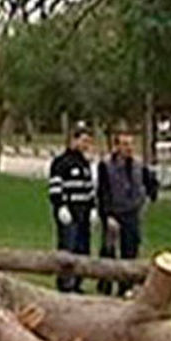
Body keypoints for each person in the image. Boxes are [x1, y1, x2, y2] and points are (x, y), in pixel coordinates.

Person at [97, 133, 159, 296]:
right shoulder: (106, 165)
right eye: (124, 144)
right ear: (116, 146)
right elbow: (103, 192)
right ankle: (105, 284)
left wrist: (149, 198)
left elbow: (151, 183)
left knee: (130, 250)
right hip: (114, 213)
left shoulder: (139, 165)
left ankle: (126, 286)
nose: (128, 148)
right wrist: (107, 215)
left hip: (132, 213)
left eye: (131, 144)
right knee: (109, 251)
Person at [48, 125, 97, 293]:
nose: (86, 145)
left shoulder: (84, 163)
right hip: (69, 212)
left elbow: (89, 188)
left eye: (88, 142)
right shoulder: (61, 162)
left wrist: (92, 208)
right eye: (83, 141)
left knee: (82, 249)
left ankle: (77, 283)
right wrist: (60, 206)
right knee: (67, 247)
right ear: (73, 140)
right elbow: (55, 187)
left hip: (83, 212)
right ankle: (65, 283)